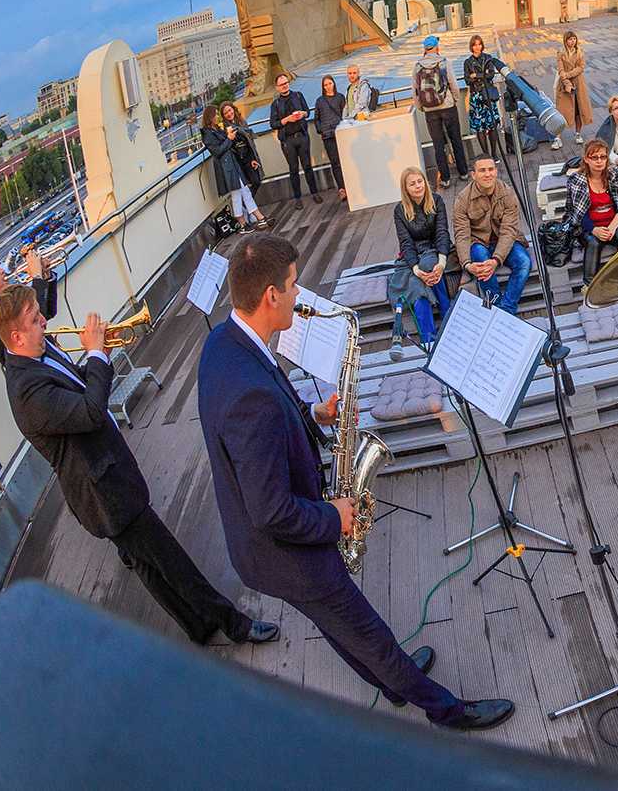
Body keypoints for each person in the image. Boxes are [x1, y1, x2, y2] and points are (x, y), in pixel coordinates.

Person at [196, 235, 513, 731]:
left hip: (262, 539)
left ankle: (393, 681)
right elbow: (270, 510)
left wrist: (313, 414)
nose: (299, 294)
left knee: (340, 626)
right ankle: (446, 711)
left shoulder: (224, 342)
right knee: (363, 630)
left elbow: (263, 402)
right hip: (281, 548)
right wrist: (334, 516)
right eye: (294, 284)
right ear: (271, 297)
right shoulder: (249, 398)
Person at [0, 283, 279, 648]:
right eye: (35, 321)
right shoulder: (26, 392)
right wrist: (97, 355)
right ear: (16, 336)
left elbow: (79, 386)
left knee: (148, 565)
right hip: (104, 493)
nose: (44, 325)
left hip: (108, 474)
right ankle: (236, 625)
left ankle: (197, 627)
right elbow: (92, 412)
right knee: (169, 556)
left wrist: (96, 358)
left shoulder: (39, 350)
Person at [452, 154, 533, 315]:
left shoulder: (507, 194)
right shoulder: (462, 199)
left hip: (505, 242)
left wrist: (496, 260)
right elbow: (462, 235)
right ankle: (496, 304)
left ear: (496, 171)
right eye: (482, 170)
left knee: (524, 262)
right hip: (479, 242)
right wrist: (467, 264)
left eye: (490, 169)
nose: (487, 174)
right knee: (481, 262)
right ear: (473, 174)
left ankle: (504, 310)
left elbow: (508, 231)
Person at [565, 138, 618, 285]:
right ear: (586, 159)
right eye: (594, 157)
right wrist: (594, 229)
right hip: (590, 226)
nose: (599, 161)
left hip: (613, 223)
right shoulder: (577, 180)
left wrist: (612, 227)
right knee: (593, 242)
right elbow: (578, 213)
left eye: (603, 157)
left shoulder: (617, 175)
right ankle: (589, 285)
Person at [393, 166, 452, 349]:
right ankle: (431, 339)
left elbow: (442, 233)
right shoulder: (400, 210)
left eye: (420, 181)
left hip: (436, 252)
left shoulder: (436, 200)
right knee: (419, 292)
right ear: (406, 189)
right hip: (414, 260)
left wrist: (442, 262)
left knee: (431, 265)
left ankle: (444, 318)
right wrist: (417, 271)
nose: (418, 186)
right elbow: (405, 243)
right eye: (412, 183)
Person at [202, 103, 267, 233]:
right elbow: (217, 151)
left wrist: (228, 135)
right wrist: (229, 138)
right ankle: (244, 224)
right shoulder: (208, 133)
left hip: (231, 166)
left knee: (244, 193)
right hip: (227, 168)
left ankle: (259, 218)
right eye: (216, 115)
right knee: (237, 195)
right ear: (211, 117)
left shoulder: (214, 129)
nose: (217, 117)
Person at [413, 35, 467, 189]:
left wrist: (422, 107)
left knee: (438, 144)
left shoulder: (417, 66)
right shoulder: (444, 63)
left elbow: (415, 91)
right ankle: (463, 172)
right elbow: (453, 85)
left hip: (430, 110)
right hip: (447, 106)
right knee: (455, 139)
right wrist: (454, 100)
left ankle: (445, 178)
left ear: (425, 49)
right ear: (437, 47)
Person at [0, 248, 56, 365]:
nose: (2, 270)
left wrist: (46, 276)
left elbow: (48, 312)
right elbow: (38, 320)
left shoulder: (12, 299)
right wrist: (37, 278)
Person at [268, 74, 322, 206]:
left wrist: (303, 114)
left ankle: (315, 193)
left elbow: (307, 112)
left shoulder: (298, 95)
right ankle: (298, 198)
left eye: (286, 83)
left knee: (308, 166)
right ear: (277, 87)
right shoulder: (275, 103)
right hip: (288, 140)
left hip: (302, 136)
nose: (285, 86)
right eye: (281, 84)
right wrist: (286, 120)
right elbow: (273, 124)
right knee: (293, 169)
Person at [462, 34, 505, 161]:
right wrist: (483, 75)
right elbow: (467, 80)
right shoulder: (467, 62)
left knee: (492, 126)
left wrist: (476, 75)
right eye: (475, 45)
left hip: (488, 95)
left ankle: (494, 152)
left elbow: (491, 75)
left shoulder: (488, 58)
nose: (477, 47)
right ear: (471, 46)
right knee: (479, 128)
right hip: (476, 97)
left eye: (479, 44)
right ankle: (486, 154)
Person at [553, 30, 592, 151]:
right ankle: (558, 138)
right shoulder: (561, 54)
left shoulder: (580, 52)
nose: (573, 41)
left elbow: (581, 67)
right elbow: (561, 71)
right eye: (570, 39)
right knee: (562, 111)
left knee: (578, 110)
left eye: (574, 39)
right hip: (565, 86)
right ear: (566, 40)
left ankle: (578, 134)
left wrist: (568, 75)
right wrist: (567, 83)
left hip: (579, 84)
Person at [313, 75, 347, 202]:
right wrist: (320, 129)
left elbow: (345, 113)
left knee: (344, 159)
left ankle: (349, 184)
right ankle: (341, 188)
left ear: (334, 84)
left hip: (340, 132)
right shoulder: (320, 101)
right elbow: (316, 117)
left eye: (329, 83)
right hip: (327, 135)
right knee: (335, 162)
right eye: (325, 85)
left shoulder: (340, 97)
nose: (328, 86)